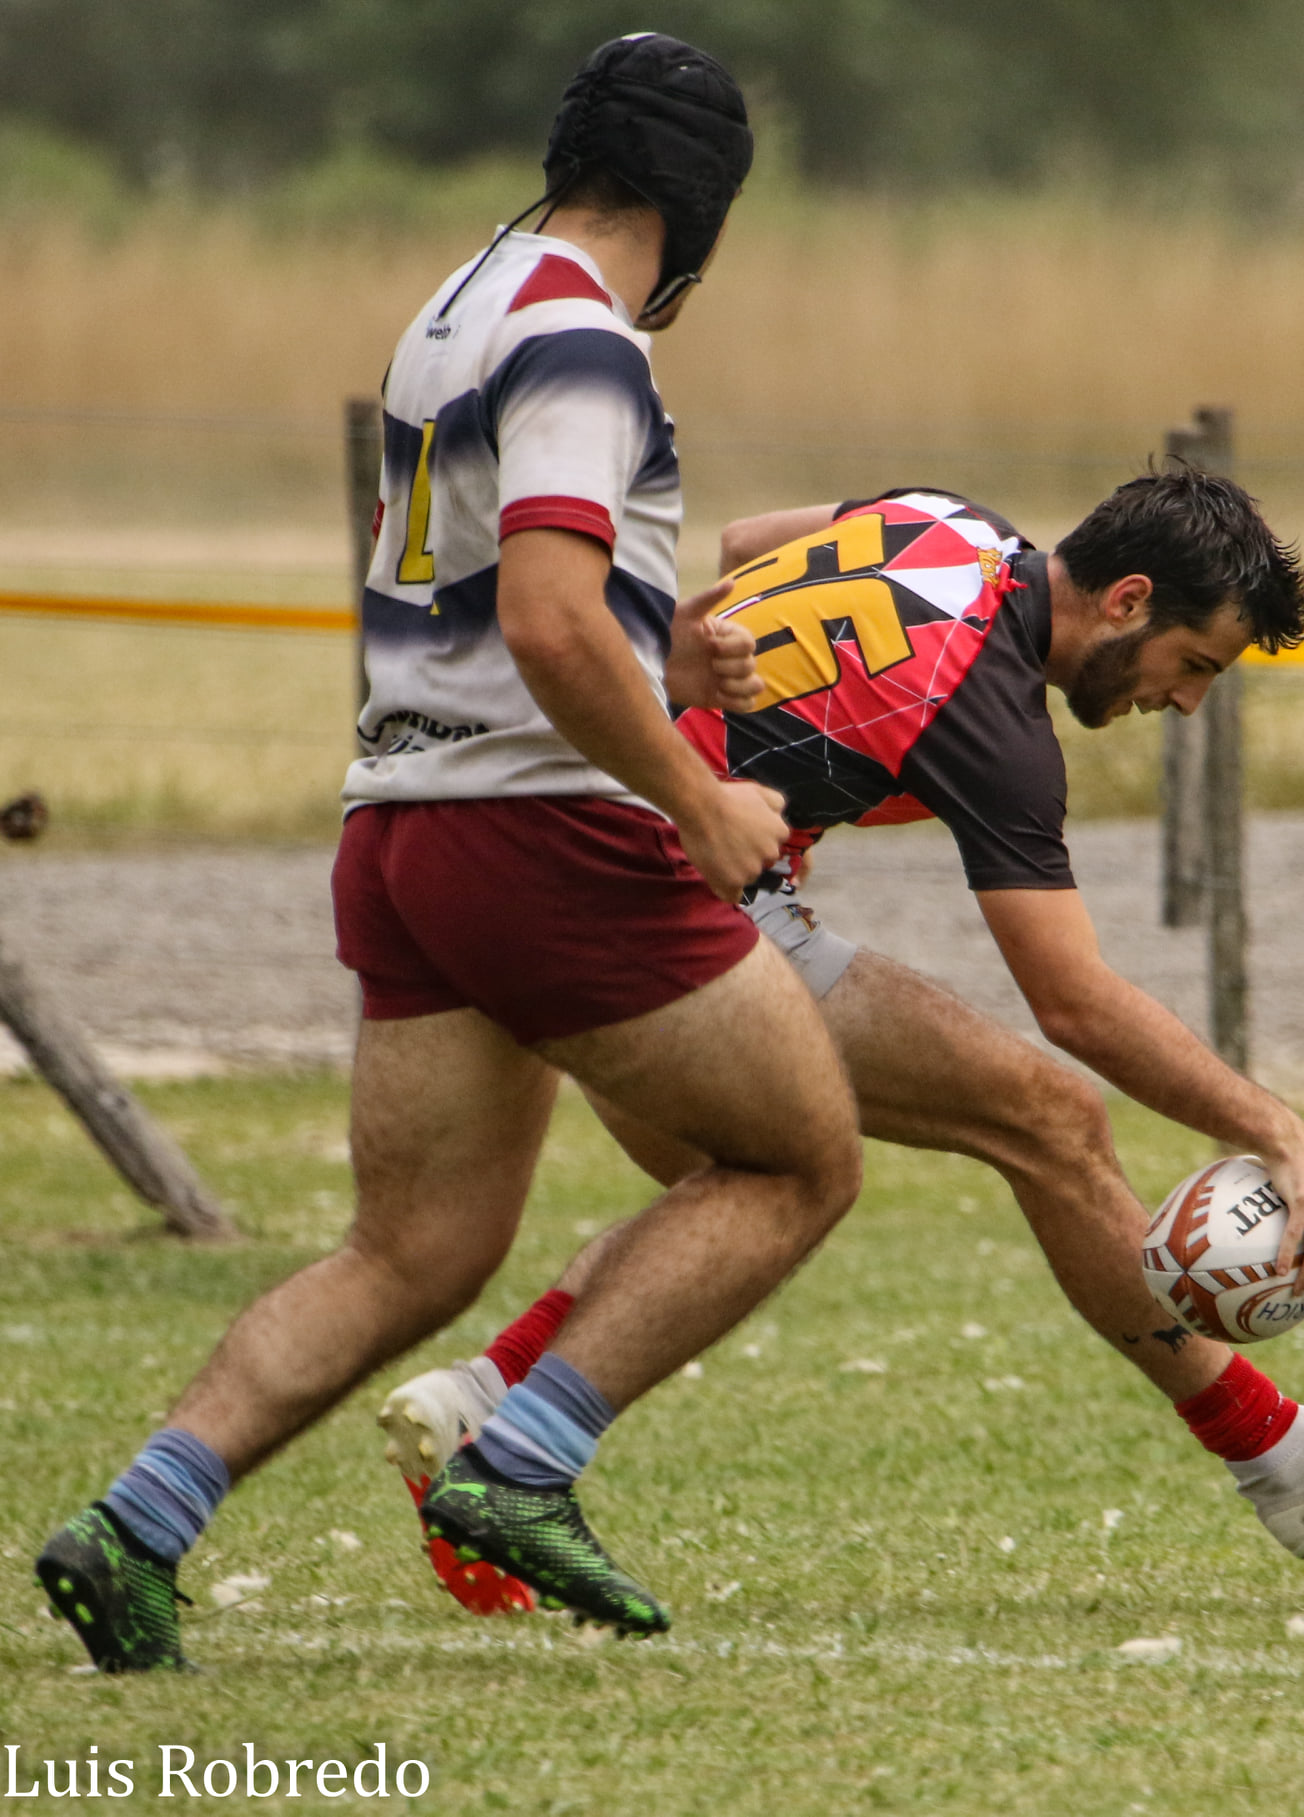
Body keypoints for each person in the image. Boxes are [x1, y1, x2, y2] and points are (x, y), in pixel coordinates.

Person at [35, 34, 869, 1673]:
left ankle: (136, 1519)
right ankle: (525, 1458)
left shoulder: (459, 301)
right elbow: (550, 617)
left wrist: (658, 658)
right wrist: (695, 796)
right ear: (699, 205)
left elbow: (510, 596)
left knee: (412, 1251)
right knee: (798, 1154)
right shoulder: (582, 337)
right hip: (544, 826)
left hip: (401, 821)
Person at [377, 473, 1304, 1616]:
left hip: (543, 838)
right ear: (1126, 599)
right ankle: (1288, 1460)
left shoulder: (950, 522)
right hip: (665, 895)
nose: (1187, 703)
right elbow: (1075, 1001)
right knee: (1044, 1115)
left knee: (734, 1186)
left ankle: (486, 1404)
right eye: (1193, 664)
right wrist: (1280, 1130)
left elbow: (750, 544)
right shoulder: (992, 712)